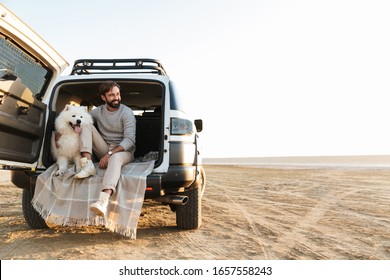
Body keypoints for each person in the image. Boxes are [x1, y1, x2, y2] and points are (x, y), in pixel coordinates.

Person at [74, 81, 136, 217]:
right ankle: (88, 165)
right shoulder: (98, 112)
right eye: (112, 95)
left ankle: (102, 201)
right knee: (85, 124)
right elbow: (80, 118)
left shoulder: (126, 112)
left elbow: (130, 140)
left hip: (124, 151)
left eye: (118, 94)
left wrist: (109, 154)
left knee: (115, 159)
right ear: (104, 98)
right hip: (104, 148)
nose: (116, 98)